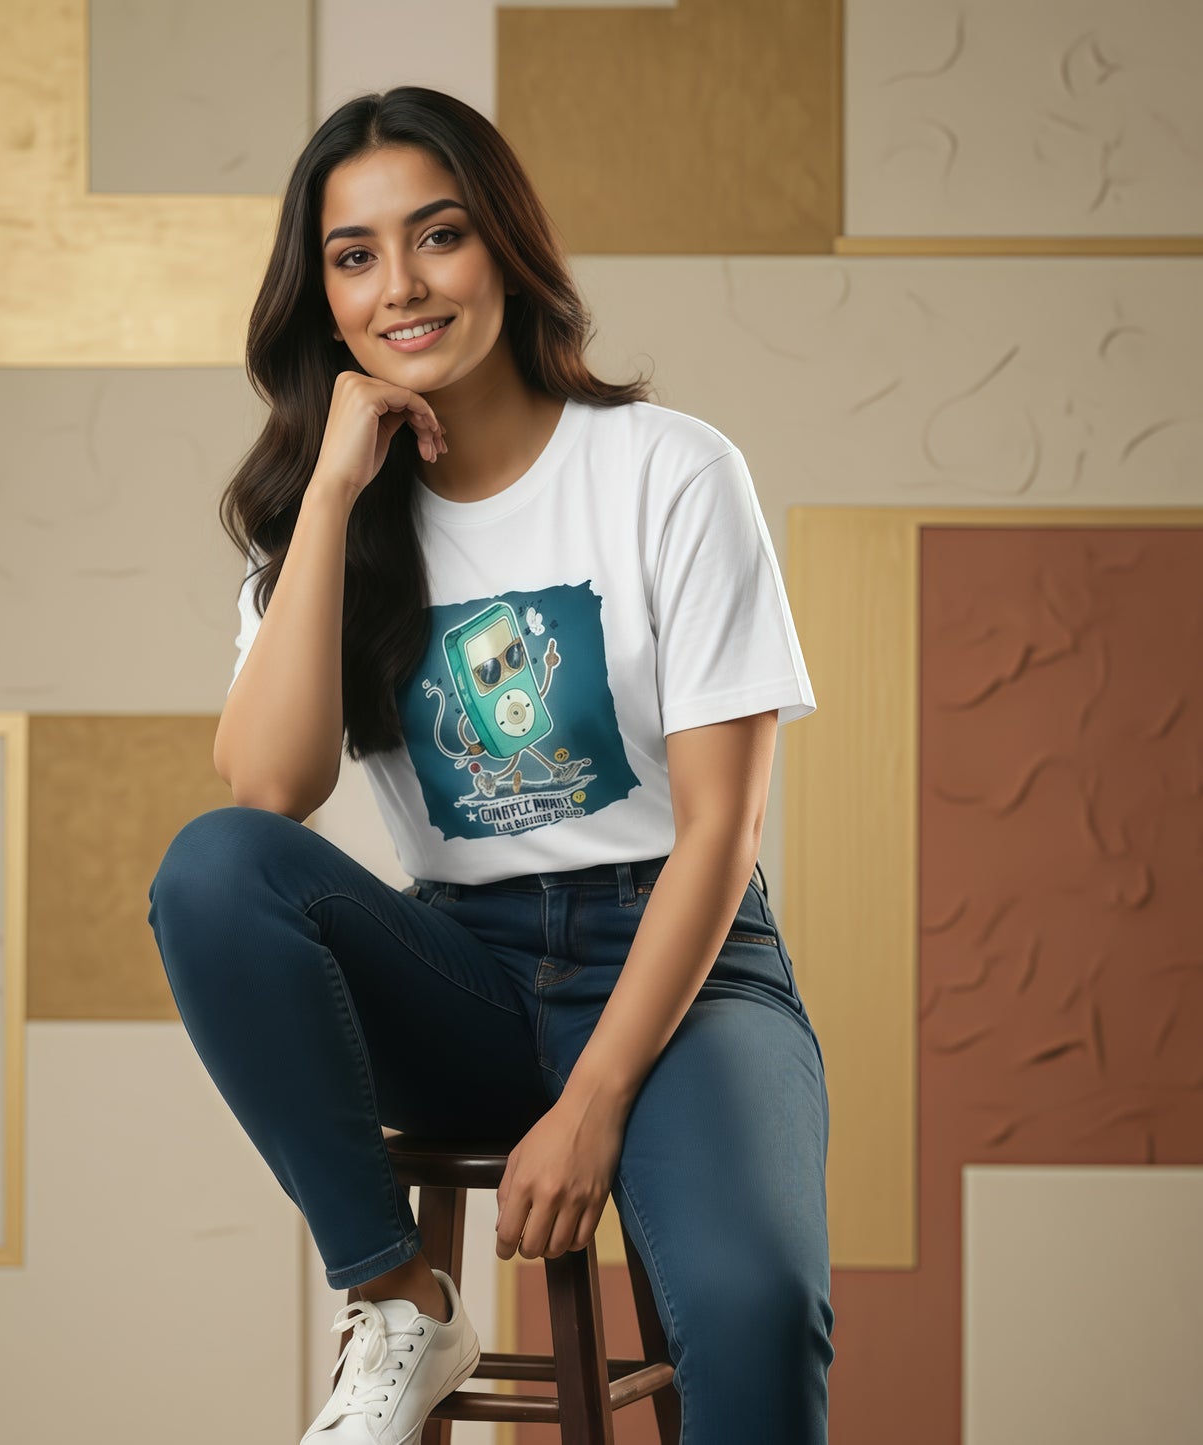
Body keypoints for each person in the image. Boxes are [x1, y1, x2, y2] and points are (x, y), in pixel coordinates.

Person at [147, 85, 833, 1444]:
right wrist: (333, 495)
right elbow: (265, 794)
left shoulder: (667, 472)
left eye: (437, 235)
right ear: (324, 296)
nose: (399, 284)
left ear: (505, 249)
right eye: (354, 255)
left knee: (754, 1310)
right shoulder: (321, 522)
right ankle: (398, 1299)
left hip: (682, 968)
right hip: (466, 979)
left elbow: (718, 832)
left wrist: (593, 1102)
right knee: (211, 868)